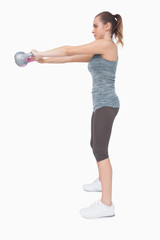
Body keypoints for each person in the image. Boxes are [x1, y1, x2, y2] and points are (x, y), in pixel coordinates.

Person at [30, 11, 123, 219]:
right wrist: (42, 61)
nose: (92, 30)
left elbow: (69, 48)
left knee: (101, 150)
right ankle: (102, 181)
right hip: (100, 105)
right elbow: (70, 57)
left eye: (95, 26)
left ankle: (106, 205)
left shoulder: (106, 45)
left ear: (107, 26)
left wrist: (41, 52)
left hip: (107, 104)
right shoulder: (99, 50)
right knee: (94, 144)